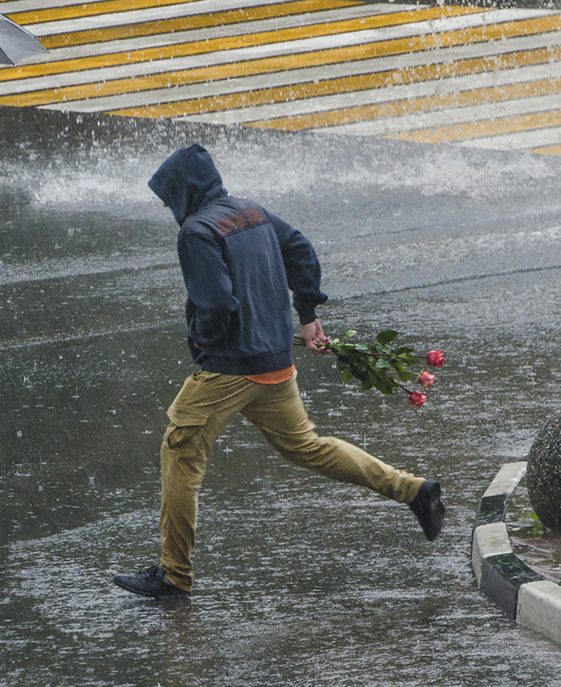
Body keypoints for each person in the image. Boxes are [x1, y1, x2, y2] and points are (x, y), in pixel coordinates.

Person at [113, 144, 446, 599]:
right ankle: (415, 491)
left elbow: (216, 304)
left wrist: (200, 340)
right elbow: (300, 249)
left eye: (168, 197)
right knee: (309, 446)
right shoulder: (253, 212)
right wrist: (307, 313)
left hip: (229, 370)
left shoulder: (196, 231)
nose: (168, 207)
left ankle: (174, 576)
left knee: (180, 454)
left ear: (184, 189)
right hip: (275, 364)